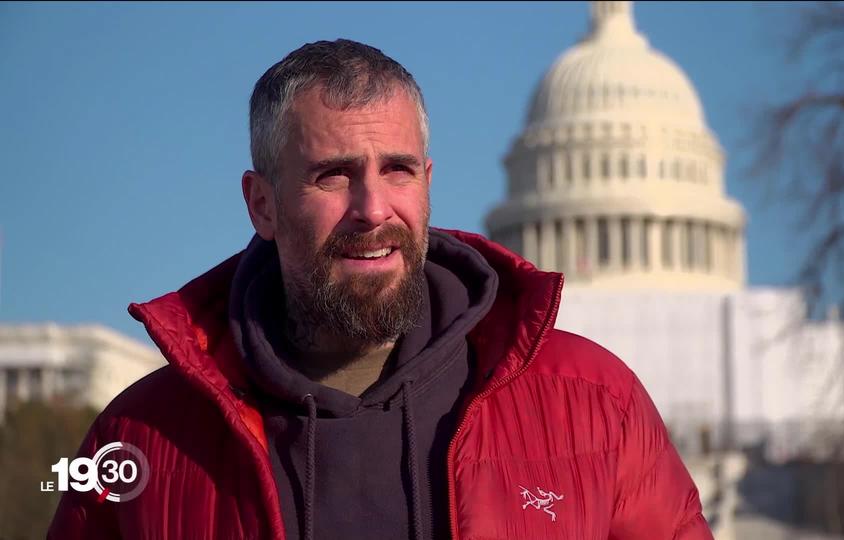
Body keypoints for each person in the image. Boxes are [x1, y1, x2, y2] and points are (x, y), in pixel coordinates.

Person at [48, 39, 711, 540]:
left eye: (396, 170)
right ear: (263, 205)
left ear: (427, 182)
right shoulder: (140, 438)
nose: (373, 208)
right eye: (333, 175)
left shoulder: (596, 404)